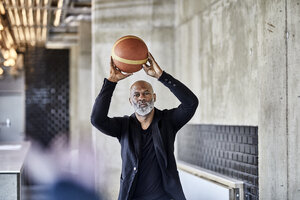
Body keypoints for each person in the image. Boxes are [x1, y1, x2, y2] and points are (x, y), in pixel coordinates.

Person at [91, 52, 198, 200]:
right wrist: (111, 82)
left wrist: (162, 76)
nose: (141, 97)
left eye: (146, 93)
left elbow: (191, 103)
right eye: (136, 94)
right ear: (131, 101)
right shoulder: (123, 126)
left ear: (154, 97)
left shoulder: (168, 121)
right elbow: (97, 119)